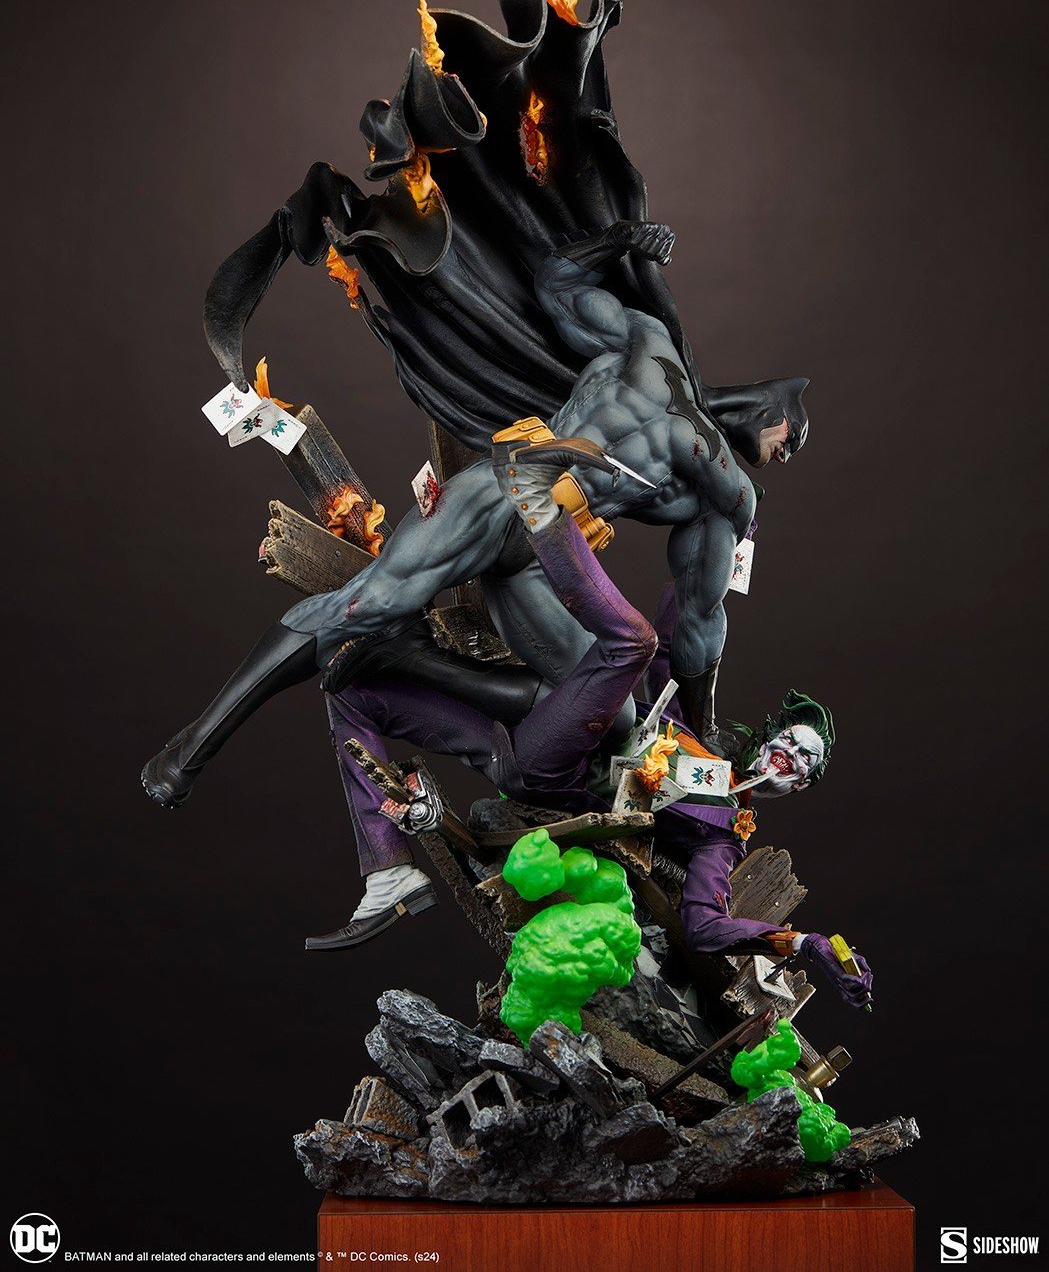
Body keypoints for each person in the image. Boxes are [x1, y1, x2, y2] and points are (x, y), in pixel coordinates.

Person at [141, 220, 810, 811]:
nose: (785, 455)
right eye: (791, 439)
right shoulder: (650, 348)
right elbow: (557, 282)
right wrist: (620, 241)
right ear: (773, 406)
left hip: (543, 560)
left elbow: (700, 615)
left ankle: (414, 661)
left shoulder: (721, 482)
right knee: (362, 605)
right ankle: (190, 748)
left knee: (612, 711)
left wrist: (702, 729)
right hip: (504, 493)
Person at [307, 439, 871, 1012]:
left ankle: (531, 509)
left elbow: (704, 926)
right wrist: (734, 536)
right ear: (771, 736)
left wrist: (802, 943)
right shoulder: (698, 739)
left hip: (553, 770)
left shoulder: (723, 835)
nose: (790, 755)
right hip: (512, 738)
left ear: (800, 785)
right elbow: (681, 626)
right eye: (791, 741)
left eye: (804, 762)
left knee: (629, 646)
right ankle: (388, 874)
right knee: (351, 694)